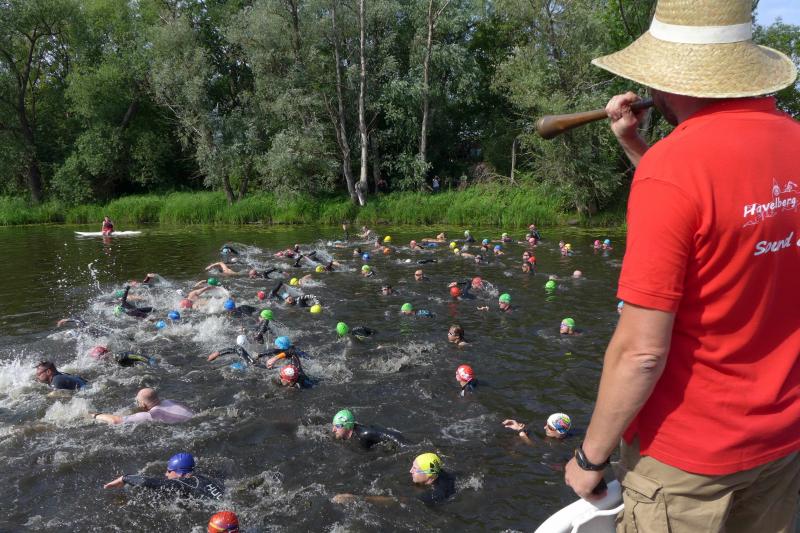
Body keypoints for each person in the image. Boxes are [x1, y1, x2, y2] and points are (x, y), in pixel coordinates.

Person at [562, 3, 800, 532]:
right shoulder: (794, 141)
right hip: (783, 442)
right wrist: (635, 145)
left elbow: (642, 353)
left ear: (673, 78)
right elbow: (719, 217)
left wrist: (589, 457)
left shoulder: (674, 169)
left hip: (688, 458)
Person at [332, 453, 455, 506]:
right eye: (412, 466)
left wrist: (359, 499)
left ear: (429, 477)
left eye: (415, 469)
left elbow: (399, 501)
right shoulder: (436, 471)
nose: (410, 471)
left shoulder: (435, 495)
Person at [103, 452, 224, 501]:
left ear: (181, 473)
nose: (166, 474)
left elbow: (144, 482)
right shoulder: (203, 477)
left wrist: (124, 478)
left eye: (169, 471)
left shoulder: (183, 482)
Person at [92, 388, 194, 425]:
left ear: (143, 405)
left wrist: (96, 415)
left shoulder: (150, 415)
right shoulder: (170, 401)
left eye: (138, 402)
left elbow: (115, 421)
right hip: (193, 417)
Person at [331, 409, 408, 449]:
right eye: (333, 426)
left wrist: (405, 446)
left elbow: (394, 435)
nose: (333, 430)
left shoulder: (364, 434)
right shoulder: (351, 432)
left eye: (337, 426)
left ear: (348, 426)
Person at [503, 412, 572, 444]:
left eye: (550, 427)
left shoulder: (561, 446)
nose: (545, 427)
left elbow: (533, 448)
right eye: (546, 424)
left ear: (560, 432)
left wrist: (520, 431)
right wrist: (523, 428)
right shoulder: (554, 436)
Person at [88, 345, 155, 367]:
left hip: (140, 358)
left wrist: (151, 361)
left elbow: (138, 356)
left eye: (99, 358)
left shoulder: (119, 356)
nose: (99, 361)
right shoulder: (106, 362)